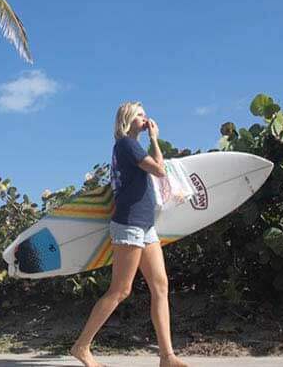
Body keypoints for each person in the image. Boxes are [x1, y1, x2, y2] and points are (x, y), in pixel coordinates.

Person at [70, 101, 190, 367]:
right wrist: (155, 139)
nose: (145, 117)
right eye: (139, 114)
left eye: (144, 113)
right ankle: (82, 346)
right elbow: (160, 170)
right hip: (130, 225)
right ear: (126, 119)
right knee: (120, 290)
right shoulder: (126, 144)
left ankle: (167, 356)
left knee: (160, 286)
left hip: (145, 226)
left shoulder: (130, 147)